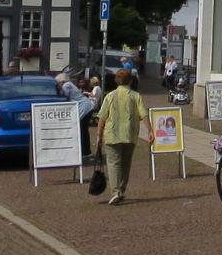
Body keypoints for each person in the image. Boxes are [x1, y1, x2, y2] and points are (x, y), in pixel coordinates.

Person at [94, 66, 153, 206]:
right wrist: (150, 130)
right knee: (126, 164)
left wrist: (98, 135)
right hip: (129, 135)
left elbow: (102, 117)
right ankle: (120, 190)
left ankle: (115, 192)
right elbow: (144, 114)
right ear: (130, 81)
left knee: (114, 163)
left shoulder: (110, 96)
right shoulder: (135, 96)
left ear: (117, 81)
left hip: (112, 135)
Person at [57, 71, 98, 154]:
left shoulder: (66, 85)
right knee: (84, 130)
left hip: (84, 108)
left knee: (82, 130)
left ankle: (83, 151)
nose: (59, 85)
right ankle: (86, 151)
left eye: (59, 83)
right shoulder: (70, 84)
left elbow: (65, 97)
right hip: (87, 107)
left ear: (61, 81)